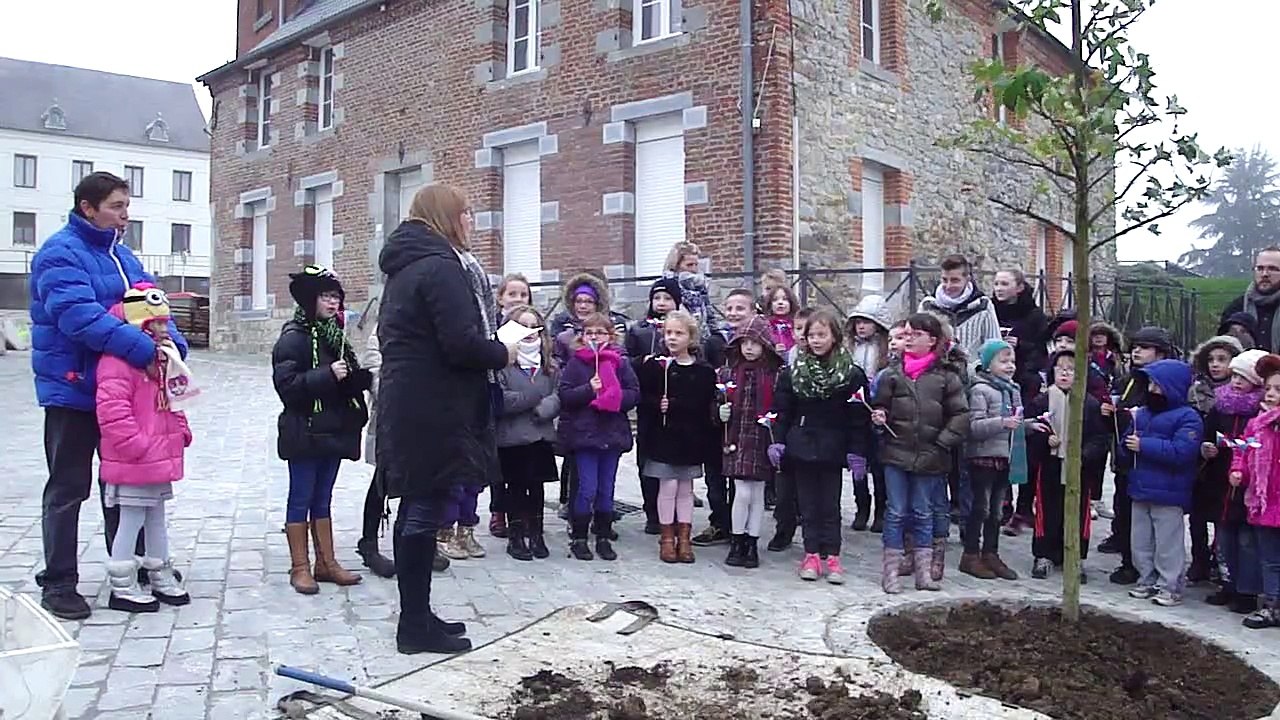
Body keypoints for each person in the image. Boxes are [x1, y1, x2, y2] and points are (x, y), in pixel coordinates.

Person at [29, 171, 190, 620]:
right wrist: (143, 349)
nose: (125, 215)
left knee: (124, 484)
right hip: (74, 388)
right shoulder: (59, 255)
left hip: (122, 392)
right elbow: (77, 317)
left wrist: (171, 344)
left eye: (126, 206)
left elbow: (152, 303)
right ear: (88, 208)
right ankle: (59, 581)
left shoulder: (122, 256)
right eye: (117, 206)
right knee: (68, 487)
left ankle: (130, 567)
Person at [376, 184, 515, 655]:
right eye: (467, 213)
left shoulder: (407, 266)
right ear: (446, 217)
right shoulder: (440, 266)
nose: (471, 222)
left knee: (419, 507)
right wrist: (506, 350)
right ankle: (414, 626)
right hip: (431, 406)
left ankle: (418, 615)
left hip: (412, 401)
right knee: (421, 511)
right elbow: (461, 344)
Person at [273, 265, 371, 595]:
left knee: (323, 499)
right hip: (304, 430)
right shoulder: (293, 338)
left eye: (336, 298)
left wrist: (358, 380)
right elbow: (287, 386)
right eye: (326, 297)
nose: (332, 304)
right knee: (301, 497)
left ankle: (326, 562)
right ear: (309, 299)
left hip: (332, 430)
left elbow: (342, 382)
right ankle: (299, 566)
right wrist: (327, 375)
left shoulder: (335, 336)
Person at [97, 284, 193, 612]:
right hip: (137, 457)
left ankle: (159, 570)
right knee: (132, 517)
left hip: (156, 456)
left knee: (156, 515)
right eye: (158, 325)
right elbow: (112, 410)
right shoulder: (118, 362)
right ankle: (122, 582)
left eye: (167, 324)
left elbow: (172, 402)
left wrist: (180, 431)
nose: (166, 330)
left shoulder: (162, 361)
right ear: (141, 327)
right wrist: (136, 446)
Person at [768, 310, 872, 584]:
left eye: (821, 334)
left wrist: (857, 451)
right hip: (801, 444)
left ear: (834, 337)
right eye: (811, 335)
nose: (815, 340)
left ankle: (833, 556)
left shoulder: (851, 374)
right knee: (808, 505)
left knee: (830, 504)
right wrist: (777, 441)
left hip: (832, 445)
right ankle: (811, 553)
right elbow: (782, 410)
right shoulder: (793, 373)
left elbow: (858, 417)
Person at [872, 312, 969, 592]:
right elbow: (881, 408)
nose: (909, 339)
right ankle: (890, 571)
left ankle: (923, 573)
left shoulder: (946, 377)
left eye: (916, 334)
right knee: (896, 511)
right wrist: (879, 419)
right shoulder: (892, 374)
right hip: (896, 453)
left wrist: (941, 443)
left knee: (923, 512)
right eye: (906, 334)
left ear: (933, 340)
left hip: (931, 455)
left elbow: (960, 415)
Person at [1119, 358, 1202, 607]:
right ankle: (1146, 579)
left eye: (1158, 385)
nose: (1153, 390)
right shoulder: (1141, 413)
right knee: (1141, 540)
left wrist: (1144, 445)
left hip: (1170, 492)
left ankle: (1170, 585)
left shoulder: (1189, 417)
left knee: (1168, 543)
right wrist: (1125, 443)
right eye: (1151, 385)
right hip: (1140, 488)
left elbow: (1182, 452)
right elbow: (1125, 444)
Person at [558, 312, 640, 561]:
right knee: (587, 488)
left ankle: (603, 535)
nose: (595, 337)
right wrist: (588, 390)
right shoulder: (576, 363)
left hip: (612, 434)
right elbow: (566, 395)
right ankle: (579, 536)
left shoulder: (620, 363)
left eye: (600, 332)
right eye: (590, 332)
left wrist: (614, 399)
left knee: (606, 488)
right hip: (585, 436)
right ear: (582, 337)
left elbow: (634, 393)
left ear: (611, 336)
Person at [638, 310, 717, 563]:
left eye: (679, 333)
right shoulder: (654, 367)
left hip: (690, 439)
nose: (672, 338)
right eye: (669, 332)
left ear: (690, 337)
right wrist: (656, 404)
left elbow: (703, 404)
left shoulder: (703, 371)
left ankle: (685, 537)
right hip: (663, 438)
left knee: (685, 488)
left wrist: (677, 404)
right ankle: (667, 536)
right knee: (667, 486)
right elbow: (643, 398)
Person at [1100, 326, 1174, 585]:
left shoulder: (1165, 383)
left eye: (1144, 347)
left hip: (1149, 460)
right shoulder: (1129, 379)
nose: (1136, 351)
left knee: (1148, 519)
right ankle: (1128, 559)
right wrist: (1111, 414)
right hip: (1124, 458)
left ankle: (1146, 567)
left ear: (1161, 353)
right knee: (1125, 509)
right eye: (1135, 347)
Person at [1027, 350, 1108, 581]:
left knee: (1079, 511)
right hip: (1050, 464)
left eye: (1071, 369)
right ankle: (1043, 554)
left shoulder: (1089, 404)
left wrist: (1083, 454)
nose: (1064, 373)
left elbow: (1099, 439)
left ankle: (1076, 557)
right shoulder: (1042, 401)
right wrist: (1045, 440)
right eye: (1060, 368)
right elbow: (1031, 433)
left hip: (1079, 467)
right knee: (1047, 509)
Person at [692, 288, 759, 547]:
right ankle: (719, 522)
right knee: (716, 477)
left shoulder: (756, 342)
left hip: (745, 422)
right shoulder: (715, 341)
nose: (733, 313)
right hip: (716, 419)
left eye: (740, 308)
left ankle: (741, 528)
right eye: (729, 308)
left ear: (753, 311)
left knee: (742, 480)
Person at [1204, 349, 1269, 614]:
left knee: (1246, 541)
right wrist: (1206, 447)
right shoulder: (1221, 406)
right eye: (1235, 375)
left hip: (1247, 484)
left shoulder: (1260, 412)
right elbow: (1207, 434)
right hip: (1221, 480)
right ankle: (1227, 583)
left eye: (1244, 376)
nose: (1237, 381)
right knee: (1225, 538)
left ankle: (1247, 591)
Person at [719, 315, 784, 568]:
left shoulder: (774, 375)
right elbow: (716, 402)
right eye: (744, 342)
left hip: (760, 439)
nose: (748, 347)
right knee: (742, 492)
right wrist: (719, 411)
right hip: (735, 438)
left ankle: (751, 543)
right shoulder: (729, 372)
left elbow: (780, 407)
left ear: (765, 346)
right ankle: (737, 540)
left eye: (755, 343)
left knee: (756, 493)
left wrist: (776, 433)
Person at [495, 306, 559, 561]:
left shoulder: (550, 367)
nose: (529, 333)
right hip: (512, 439)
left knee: (537, 487)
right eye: (523, 326)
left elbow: (557, 394)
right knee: (516, 488)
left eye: (534, 327)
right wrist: (531, 396)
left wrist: (546, 407)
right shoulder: (502, 366)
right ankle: (516, 535)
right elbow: (501, 399)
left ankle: (537, 533)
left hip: (540, 436)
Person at [959, 340, 1026, 581]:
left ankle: (991, 552)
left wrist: (1030, 425)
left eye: (1012, 361)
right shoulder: (980, 390)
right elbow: (974, 427)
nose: (1010, 366)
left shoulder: (1012, 389)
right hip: (983, 458)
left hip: (1005, 458)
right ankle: (970, 554)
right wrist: (1002, 423)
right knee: (981, 509)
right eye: (1004, 361)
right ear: (988, 365)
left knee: (997, 512)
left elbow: (1016, 423)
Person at [1187, 335, 1246, 582]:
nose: (1215, 364)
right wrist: (1202, 446)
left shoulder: (1243, 395)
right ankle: (1199, 560)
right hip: (1201, 465)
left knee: (1223, 520)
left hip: (1230, 467)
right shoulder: (1196, 390)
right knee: (1197, 516)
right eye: (1210, 359)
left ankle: (1221, 563)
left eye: (1222, 359)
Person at [627, 278, 683, 534]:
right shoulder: (639, 330)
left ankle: (672, 512)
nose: (661, 303)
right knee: (646, 459)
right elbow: (626, 361)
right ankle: (652, 511)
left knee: (671, 459)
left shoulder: (682, 328)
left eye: (667, 298)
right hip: (648, 401)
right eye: (657, 298)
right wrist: (643, 361)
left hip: (675, 404)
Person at [1231, 355, 1280, 628]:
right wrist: (1239, 471)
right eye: (1269, 388)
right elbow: (1244, 451)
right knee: (1270, 559)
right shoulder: (1257, 424)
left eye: (1278, 390)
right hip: (1264, 503)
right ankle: (1273, 606)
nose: (1271, 394)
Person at [488, 273, 535, 540]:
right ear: (500, 298)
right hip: (503, 401)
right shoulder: (493, 328)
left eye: (523, 295)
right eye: (512, 294)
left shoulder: (534, 326)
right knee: (499, 463)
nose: (518, 299)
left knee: (525, 466)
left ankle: (524, 510)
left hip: (528, 407)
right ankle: (499, 511)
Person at [846, 295, 893, 532]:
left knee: (879, 464)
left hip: (877, 410)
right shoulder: (850, 349)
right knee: (858, 462)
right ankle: (861, 507)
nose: (861, 326)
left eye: (867, 321)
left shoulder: (884, 351)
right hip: (854, 412)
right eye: (858, 322)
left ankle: (881, 511)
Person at [918, 255, 1002, 370]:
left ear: (967, 279)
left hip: (973, 376)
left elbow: (994, 345)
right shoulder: (928, 305)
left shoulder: (983, 305)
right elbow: (918, 343)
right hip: (935, 373)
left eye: (955, 280)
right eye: (944, 280)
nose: (948, 286)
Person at [991, 269, 1048, 404]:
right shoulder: (989, 310)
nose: (999, 289)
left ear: (1019, 287)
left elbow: (1042, 349)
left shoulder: (1034, 315)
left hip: (1023, 375)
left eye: (1005, 284)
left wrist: (1020, 344)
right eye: (996, 284)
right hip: (993, 374)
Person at [1220, 247, 1280, 353]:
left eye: (1272, 268)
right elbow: (1222, 350)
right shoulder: (1236, 308)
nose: (1265, 274)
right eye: (1260, 268)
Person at [663, 242, 713, 338]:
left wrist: (715, 336)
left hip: (702, 338)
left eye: (696, 265)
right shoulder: (667, 285)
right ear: (676, 265)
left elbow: (709, 313)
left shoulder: (699, 285)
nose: (694, 269)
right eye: (689, 265)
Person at [765, 285, 799, 356]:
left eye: (785, 299)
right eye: (775, 300)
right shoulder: (765, 325)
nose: (780, 302)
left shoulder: (797, 323)